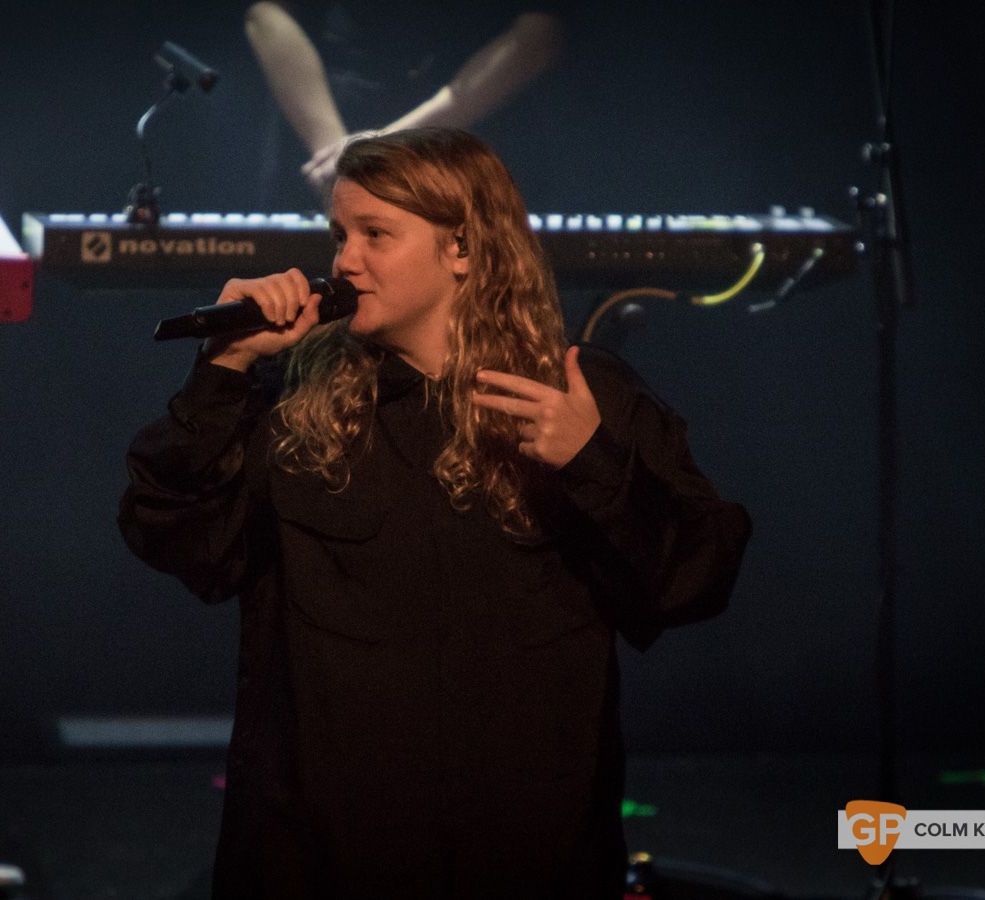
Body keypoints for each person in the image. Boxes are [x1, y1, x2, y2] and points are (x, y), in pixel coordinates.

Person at [118, 128, 750, 898]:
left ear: (461, 247)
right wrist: (224, 369)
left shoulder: (583, 399)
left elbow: (695, 582)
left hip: (524, 856)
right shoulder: (291, 399)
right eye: (340, 235)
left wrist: (593, 462)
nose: (345, 260)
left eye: (375, 235)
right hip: (317, 855)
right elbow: (175, 537)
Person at [244, 1, 567, 195]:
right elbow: (266, 12)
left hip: (464, 140)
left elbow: (538, 36)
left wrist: (378, 150)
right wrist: (336, 160)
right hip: (323, 137)